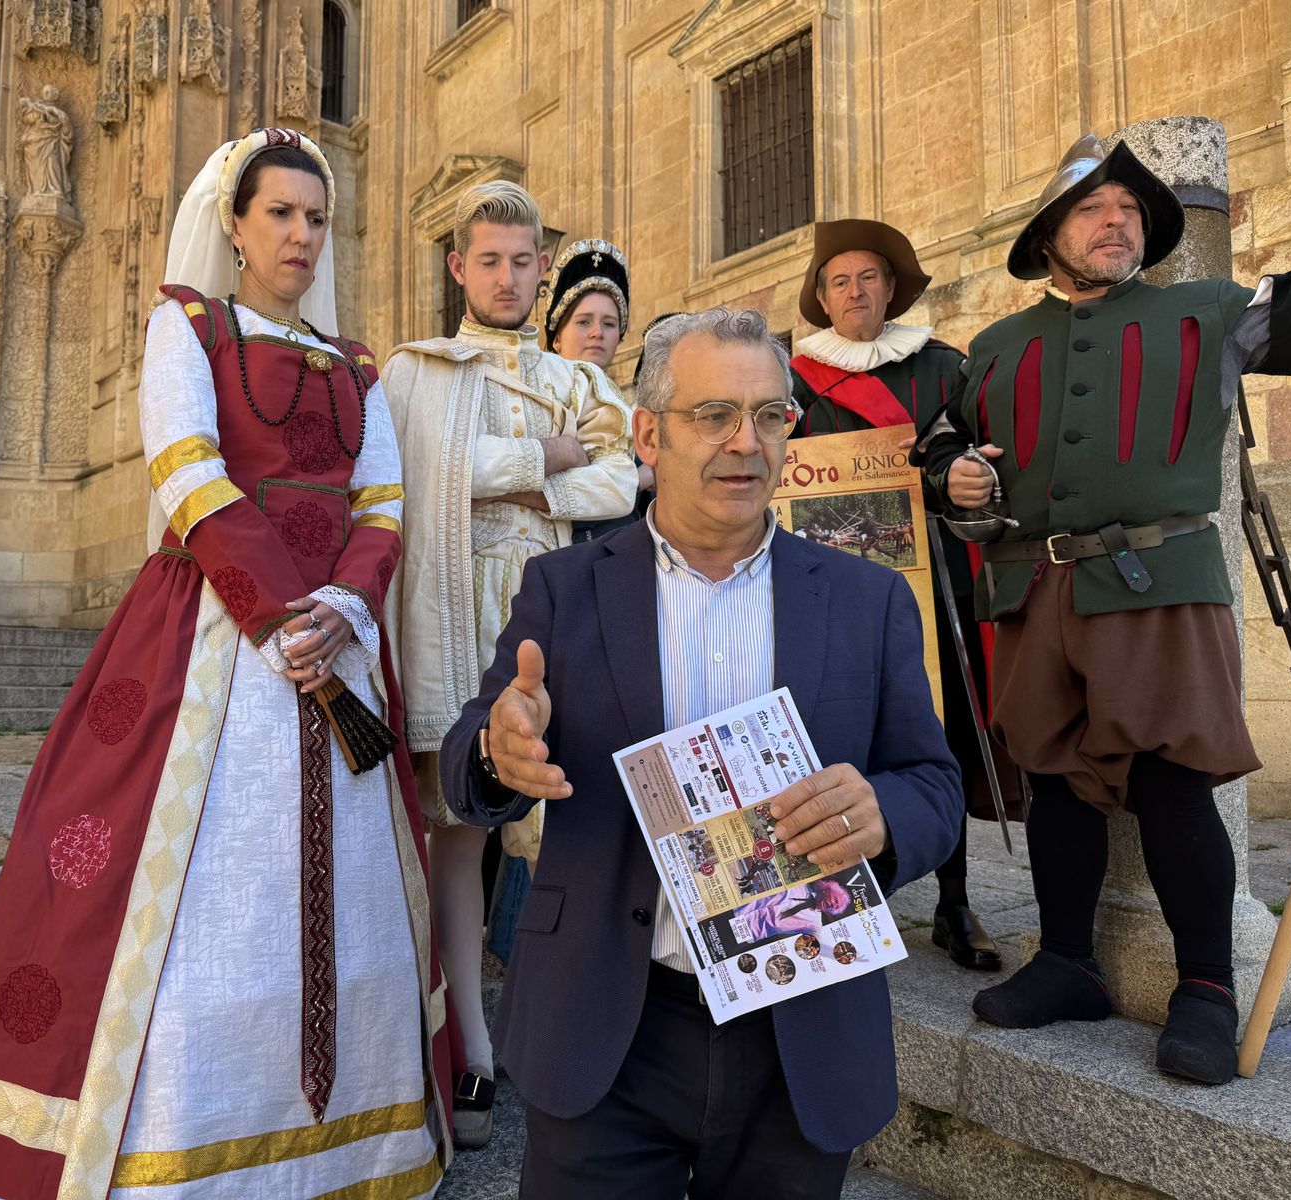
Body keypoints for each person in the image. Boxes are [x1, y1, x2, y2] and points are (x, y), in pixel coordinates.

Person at [0, 129, 451, 1197]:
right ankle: (175, 1133)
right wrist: (277, 615)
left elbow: (382, 504)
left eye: (315, 217)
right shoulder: (186, 326)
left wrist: (346, 605)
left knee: (351, 881)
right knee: (195, 885)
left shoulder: (358, 367)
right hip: (212, 634)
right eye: (280, 214)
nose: (300, 235)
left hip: (340, 638)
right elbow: (187, 468)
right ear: (236, 226)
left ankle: (361, 1139)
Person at [440, 307, 962, 1196]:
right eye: (714, 415)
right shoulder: (563, 589)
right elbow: (468, 765)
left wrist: (885, 817)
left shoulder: (866, 599)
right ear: (648, 435)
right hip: (611, 1023)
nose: (746, 443)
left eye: (769, 416)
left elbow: (933, 786)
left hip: (798, 1029)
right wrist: (499, 752)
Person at [924, 133, 1291, 1087]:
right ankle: (1067, 963)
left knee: (1174, 781)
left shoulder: (1212, 313)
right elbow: (943, 452)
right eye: (1096, 208)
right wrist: (959, 480)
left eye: (1132, 212)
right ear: (1050, 234)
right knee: (1052, 777)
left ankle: (1206, 991)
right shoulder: (991, 347)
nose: (1118, 222)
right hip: (1027, 589)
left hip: (1158, 585)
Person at [383, 181, 638, 1150]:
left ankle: (569, 1030)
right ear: (458, 267)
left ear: (540, 267)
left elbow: (618, 472)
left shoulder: (576, 376)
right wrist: (538, 452)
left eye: (520, 260)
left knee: (570, 813)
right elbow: (409, 471)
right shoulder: (417, 371)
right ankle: (473, 1048)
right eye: (485, 260)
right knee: (459, 828)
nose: (503, 275)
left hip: (557, 599)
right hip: (452, 606)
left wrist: (514, 460)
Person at [790, 218, 1012, 972]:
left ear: (891, 287)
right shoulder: (790, 381)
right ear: (822, 298)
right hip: (826, 591)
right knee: (837, 730)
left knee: (937, 731)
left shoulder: (942, 368)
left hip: (933, 579)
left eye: (868, 278)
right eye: (839, 281)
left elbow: (966, 450)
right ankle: (840, 891)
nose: (856, 291)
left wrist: (959, 476)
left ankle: (954, 899)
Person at [544, 238, 655, 545]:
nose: (597, 333)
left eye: (609, 323)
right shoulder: (540, 400)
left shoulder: (629, 411)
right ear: (557, 339)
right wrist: (640, 478)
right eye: (583, 322)